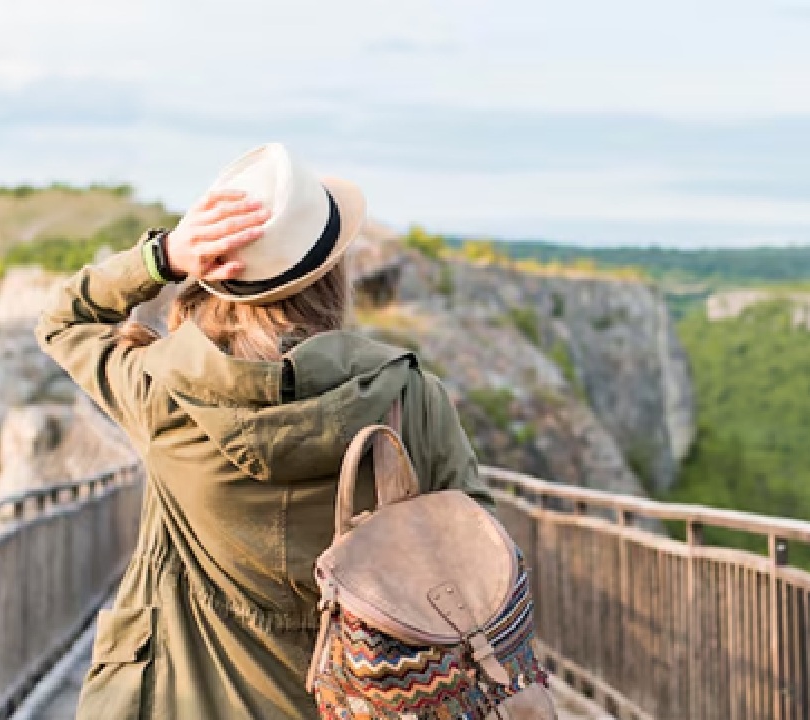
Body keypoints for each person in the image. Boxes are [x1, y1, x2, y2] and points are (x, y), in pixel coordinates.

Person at [36, 143, 494, 719]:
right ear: (331, 275)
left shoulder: (162, 393)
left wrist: (164, 257)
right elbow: (476, 539)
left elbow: (62, 320)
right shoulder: (410, 397)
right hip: (367, 696)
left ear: (215, 277)